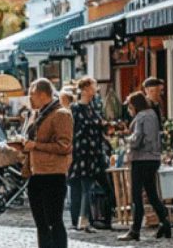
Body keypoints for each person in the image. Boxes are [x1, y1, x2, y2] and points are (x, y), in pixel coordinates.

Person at [19, 78, 73, 248]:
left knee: (54, 221)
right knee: (41, 224)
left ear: (43, 95)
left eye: (32, 95)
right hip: (36, 173)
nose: (30, 99)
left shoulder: (61, 114)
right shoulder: (39, 114)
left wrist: (36, 145)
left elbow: (64, 146)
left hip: (53, 174)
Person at [117, 91, 172, 241]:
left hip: (141, 159)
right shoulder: (153, 115)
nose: (129, 109)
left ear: (134, 105)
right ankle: (165, 222)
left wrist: (126, 139)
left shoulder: (141, 117)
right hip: (153, 158)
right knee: (151, 192)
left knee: (136, 194)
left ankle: (135, 230)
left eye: (130, 106)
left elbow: (138, 138)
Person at [68, 77, 109, 233]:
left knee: (87, 186)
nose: (96, 89)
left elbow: (98, 125)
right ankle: (80, 221)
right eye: (93, 86)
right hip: (80, 152)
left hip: (93, 153)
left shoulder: (94, 107)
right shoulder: (75, 108)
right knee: (80, 187)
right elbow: (72, 130)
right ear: (84, 89)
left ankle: (84, 220)